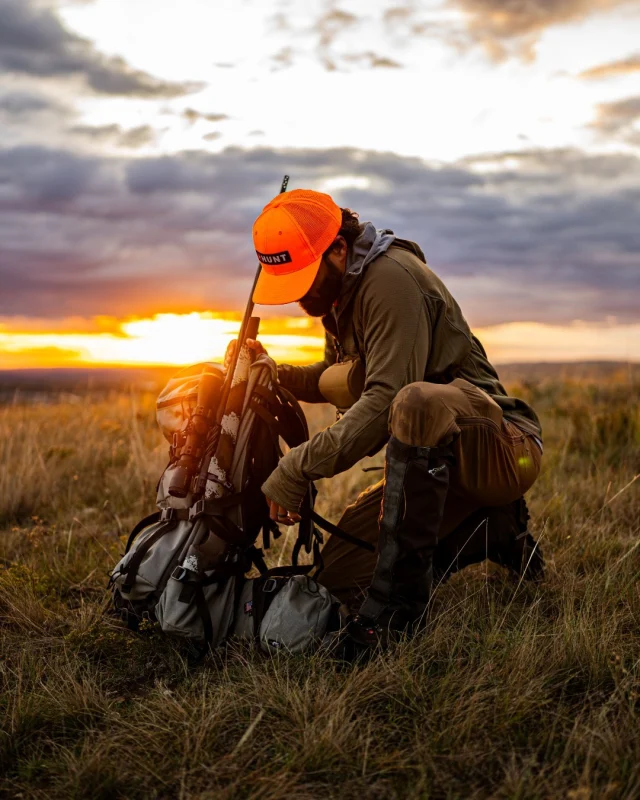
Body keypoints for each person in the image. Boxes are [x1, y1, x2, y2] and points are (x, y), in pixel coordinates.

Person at [238, 188, 544, 658]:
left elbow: (385, 402)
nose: (301, 296)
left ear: (339, 248)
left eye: (305, 277)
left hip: (501, 446)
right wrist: (273, 374)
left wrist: (296, 467)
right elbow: (341, 379)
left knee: (416, 402)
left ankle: (400, 615)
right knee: (339, 577)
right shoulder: (342, 296)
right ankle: (491, 529)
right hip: (436, 460)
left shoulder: (388, 280)